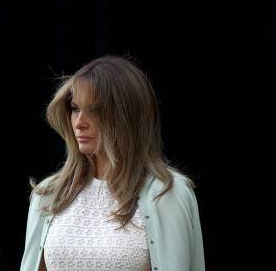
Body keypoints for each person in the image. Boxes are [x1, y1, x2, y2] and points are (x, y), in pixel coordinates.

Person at [20, 55, 205, 271]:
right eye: (75, 108)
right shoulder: (48, 194)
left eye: (95, 110)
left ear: (127, 116)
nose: (79, 123)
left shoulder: (167, 193)